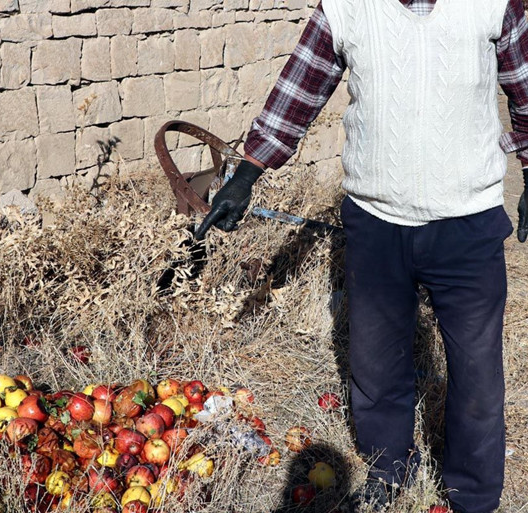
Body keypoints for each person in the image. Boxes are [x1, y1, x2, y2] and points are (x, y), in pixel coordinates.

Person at [198, 0, 528, 511]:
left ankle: (474, 495)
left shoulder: (493, 5)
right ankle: (388, 467)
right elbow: (300, 90)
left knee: (478, 373)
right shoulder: (347, 8)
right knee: (374, 366)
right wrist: (246, 175)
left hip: (468, 224)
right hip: (376, 221)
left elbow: (525, 90)